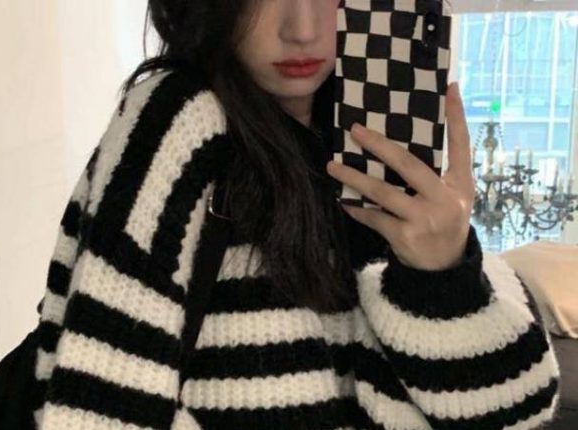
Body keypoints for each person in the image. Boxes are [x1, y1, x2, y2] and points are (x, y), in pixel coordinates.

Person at [28, 1, 562, 429]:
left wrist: (443, 274)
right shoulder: (178, 119)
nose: (301, 29)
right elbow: (99, 406)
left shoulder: (370, 138)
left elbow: (514, 412)